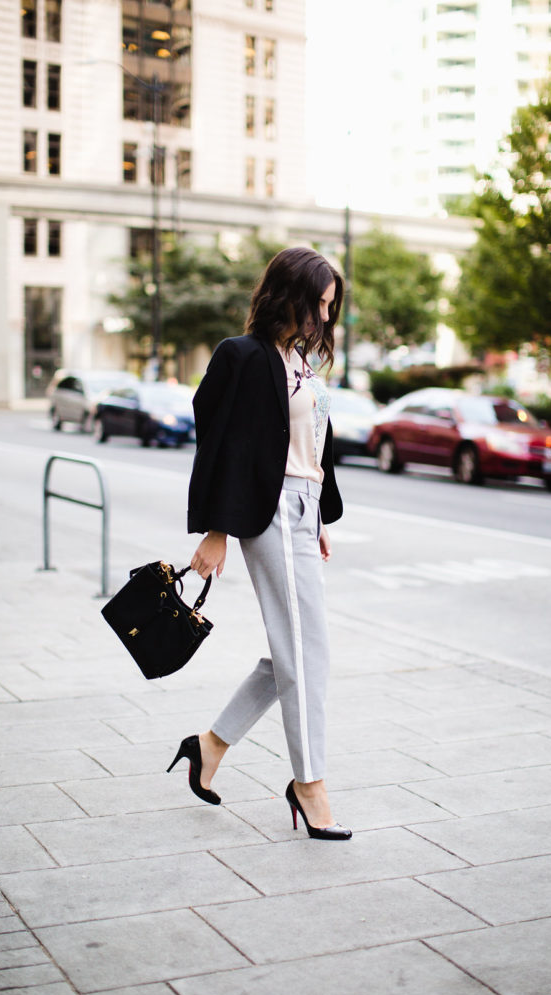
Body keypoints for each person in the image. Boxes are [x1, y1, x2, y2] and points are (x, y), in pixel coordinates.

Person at [167, 247, 352, 841]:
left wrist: (319, 512)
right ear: (289, 295)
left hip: (301, 508)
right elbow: (220, 440)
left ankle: (209, 745)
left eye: (330, 308)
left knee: (295, 650)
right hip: (267, 511)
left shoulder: (299, 362)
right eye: (318, 304)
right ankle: (310, 783)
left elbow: (313, 442)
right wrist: (216, 530)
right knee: (307, 653)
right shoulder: (243, 356)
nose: (324, 318)